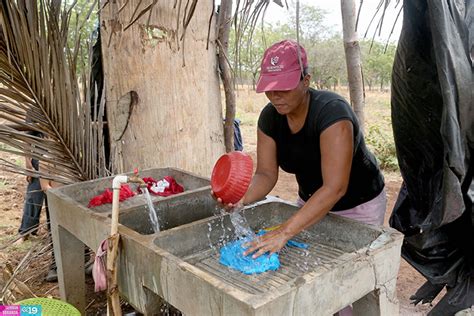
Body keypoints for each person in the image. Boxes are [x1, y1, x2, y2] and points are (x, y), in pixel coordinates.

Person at [216, 39, 386, 260]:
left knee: (354, 269)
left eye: (284, 86)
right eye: (270, 87)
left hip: (358, 206)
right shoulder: (270, 118)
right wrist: (241, 198)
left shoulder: (332, 113)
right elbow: (266, 174)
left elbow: (335, 188)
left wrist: (284, 231)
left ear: (305, 81)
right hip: (310, 204)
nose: (275, 94)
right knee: (311, 263)